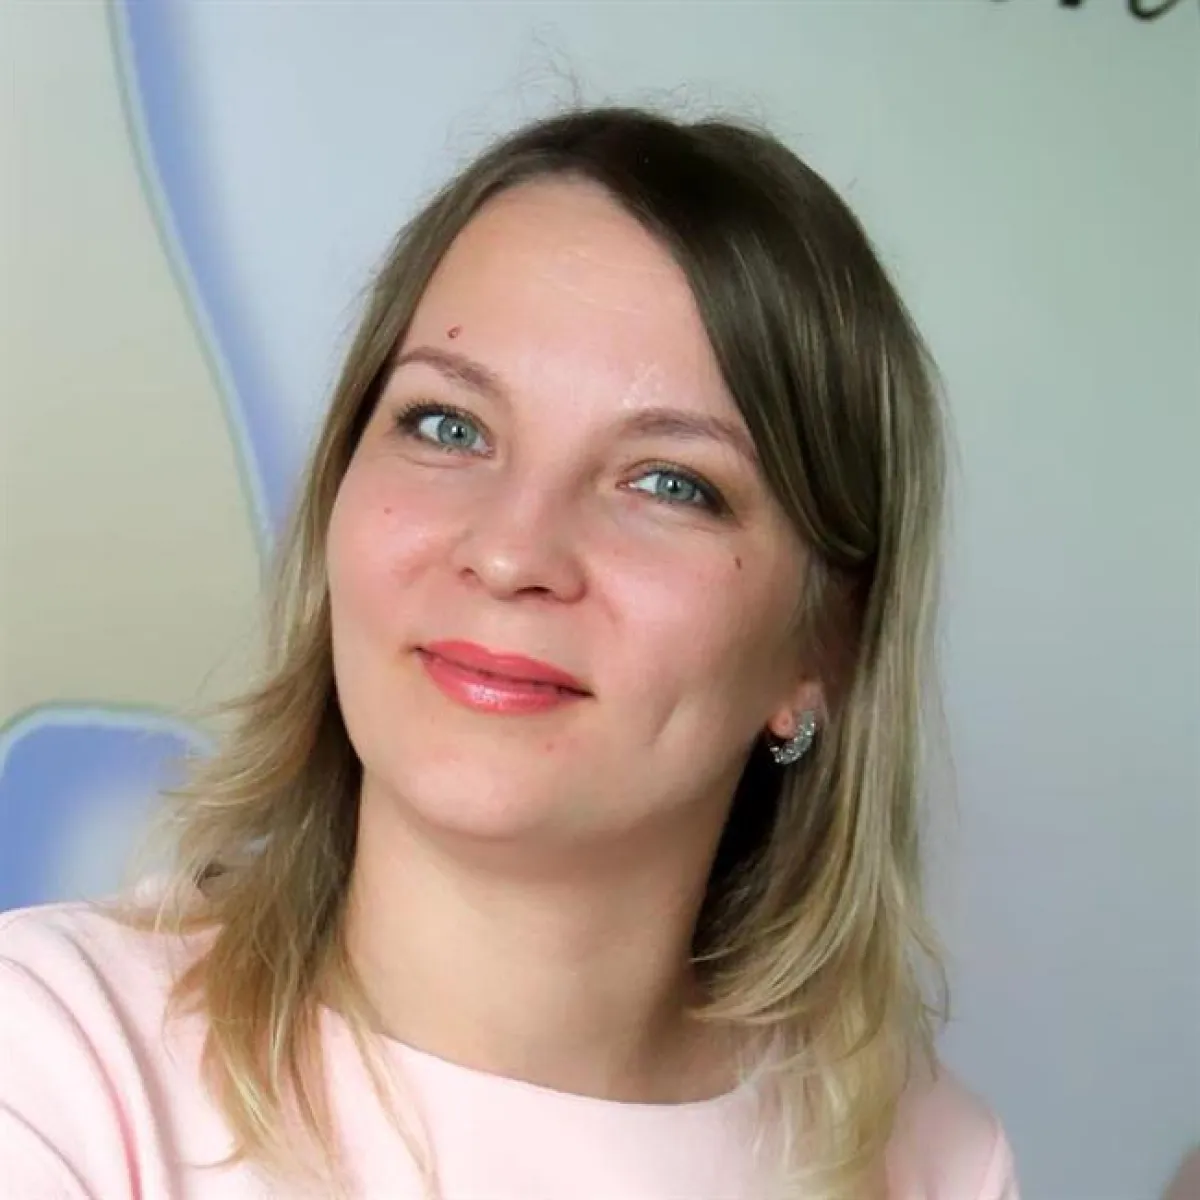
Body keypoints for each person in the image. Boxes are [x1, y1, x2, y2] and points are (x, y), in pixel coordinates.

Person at [0, 106, 1019, 1200]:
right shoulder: (52, 1061)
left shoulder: (937, 1165)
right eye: (449, 426)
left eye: (670, 482)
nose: (509, 551)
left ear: (825, 642)